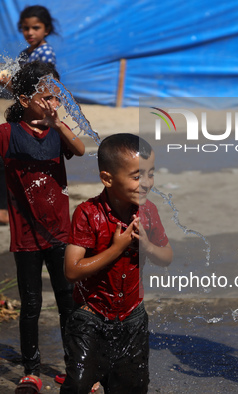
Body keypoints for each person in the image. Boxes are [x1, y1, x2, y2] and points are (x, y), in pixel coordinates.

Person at [0, 61, 85, 394]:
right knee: (31, 305)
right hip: (26, 238)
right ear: (24, 100)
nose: (54, 104)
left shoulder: (58, 132)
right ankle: (31, 371)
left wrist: (58, 124)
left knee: (68, 303)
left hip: (61, 235)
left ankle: (75, 369)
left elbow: (81, 149)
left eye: (58, 98)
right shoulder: (8, 133)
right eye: (47, 98)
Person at [62, 133, 173, 394]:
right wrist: (117, 248)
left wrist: (146, 247)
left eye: (150, 174)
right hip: (90, 316)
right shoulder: (88, 214)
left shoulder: (148, 213)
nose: (146, 183)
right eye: (136, 176)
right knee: (77, 385)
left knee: (131, 388)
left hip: (132, 318)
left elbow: (167, 257)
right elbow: (71, 270)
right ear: (107, 179)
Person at [0, 5, 58, 227]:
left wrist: (5, 81)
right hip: (22, 113)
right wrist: (4, 81)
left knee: (33, 161)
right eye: (25, 28)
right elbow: (22, 90)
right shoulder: (25, 54)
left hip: (36, 116)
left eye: (36, 27)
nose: (30, 32)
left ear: (47, 29)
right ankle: (8, 210)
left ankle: (29, 210)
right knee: (10, 158)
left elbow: (39, 91)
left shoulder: (45, 54)